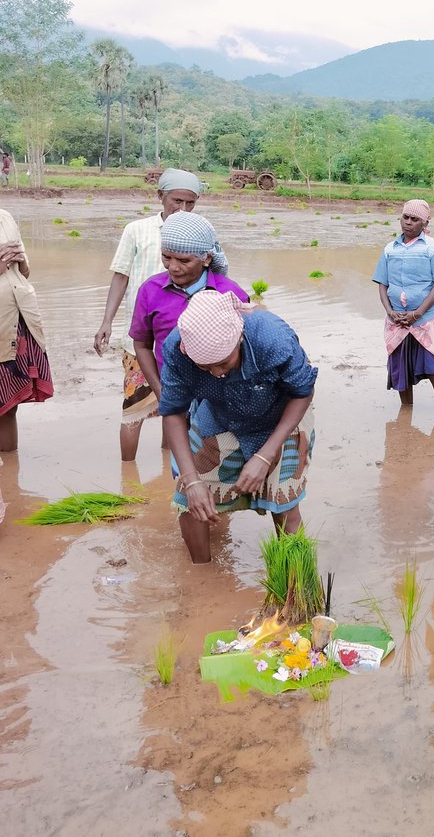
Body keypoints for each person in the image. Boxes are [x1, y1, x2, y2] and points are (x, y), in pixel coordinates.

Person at [159, 291, 317, 564]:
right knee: (190, 499)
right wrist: (192, 479)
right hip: (220, 415)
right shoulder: (176, 348)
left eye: (223, 363)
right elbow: (173, 412)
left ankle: (295, 586)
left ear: (239, 340)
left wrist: (266, 455)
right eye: (205, 367)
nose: (217, 373)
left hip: (282, 416)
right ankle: (203, 581)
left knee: (284, 501)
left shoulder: (273, 338)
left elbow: (303, 392)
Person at [93, 168, 208, 461]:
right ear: (160, 196)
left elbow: (215, 275)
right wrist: (106, 321)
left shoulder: (200, 230)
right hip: (142, 339)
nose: (183, 209)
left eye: (190, 203)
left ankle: (168, 472)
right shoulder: (137, 230)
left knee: (177, 410)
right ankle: (127, 474)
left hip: (186, 341)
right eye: (177, 201)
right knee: (134, 408)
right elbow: (121, 276)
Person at [129, 212, 248, 403]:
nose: (173, 267)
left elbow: (246, 349)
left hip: (224, 398)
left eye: (184, 261)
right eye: (166, 257)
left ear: (207, 258)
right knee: (173, 433)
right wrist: (161, 393)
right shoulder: (150, 291)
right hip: (174, 392)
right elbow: (142, 345)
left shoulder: (230, 294)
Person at [372, 199, 434, 409]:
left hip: (424, 322)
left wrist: (417, 313)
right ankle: (405, 418)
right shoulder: (390, 249)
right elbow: (382, 284)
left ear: (424, 223)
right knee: (400, 372)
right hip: (397, 322)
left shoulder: (433, 249)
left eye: (414, 219)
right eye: (405, 217)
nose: (408, 222)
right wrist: (389, 312)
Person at [0, 209, 53, 451]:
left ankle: (11, 476)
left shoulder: (6, 217)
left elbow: (24, 273)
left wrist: (20, 260)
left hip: (13, 322)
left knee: (8, 406)